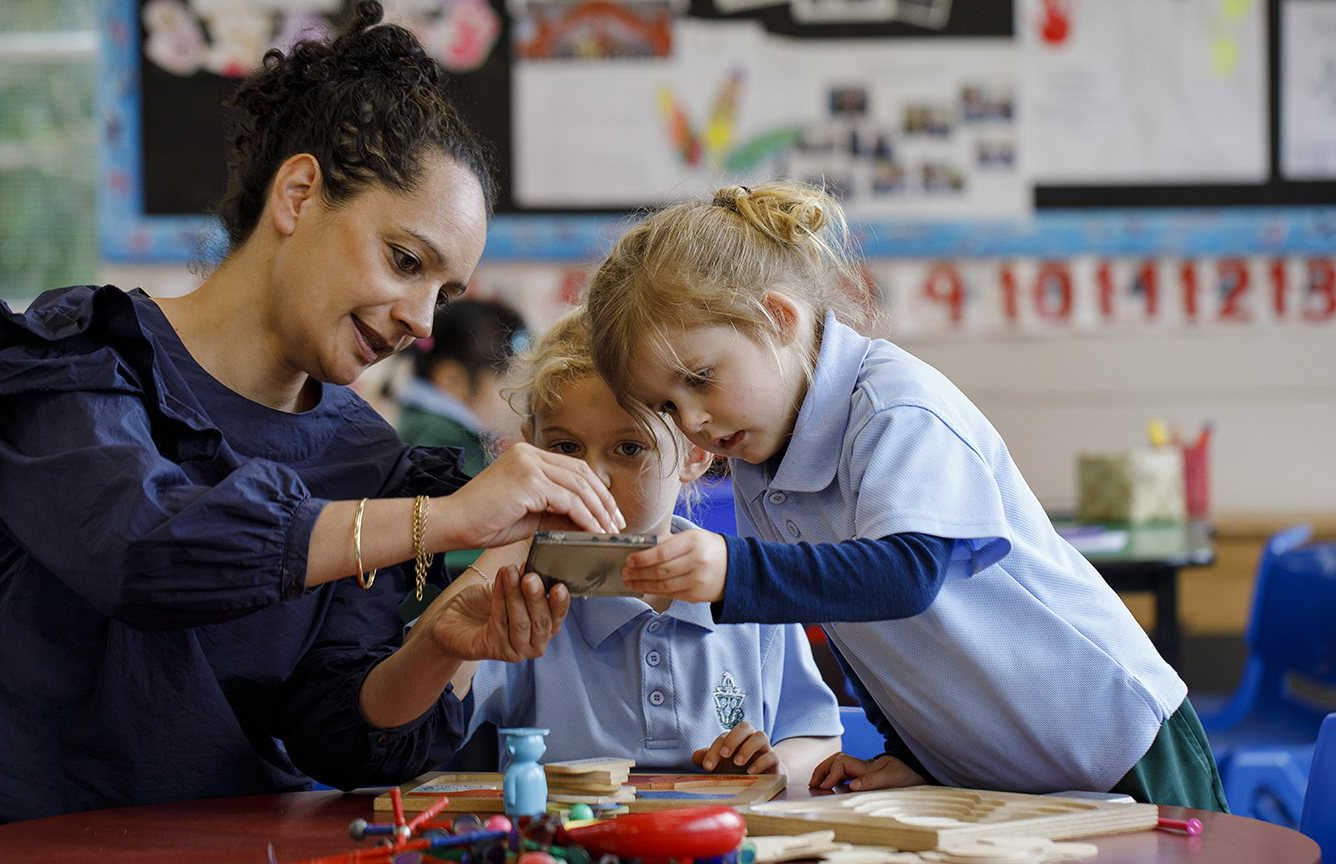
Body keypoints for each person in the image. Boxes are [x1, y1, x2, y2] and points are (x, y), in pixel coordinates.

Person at [0, 4, 625, 858]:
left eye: (446, 293)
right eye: (405, 260)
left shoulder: (363, 455)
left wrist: (442, 646)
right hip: (12, 846)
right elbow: (151, 551)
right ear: (299, 193)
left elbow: (334, 735)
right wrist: (450, 518)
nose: (423, 323)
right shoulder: (75, 361)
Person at [581, 181, 1228, 811]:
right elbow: (861, 629)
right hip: (1003, 781)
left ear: (778, 319)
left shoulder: (894, 406)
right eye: (667, 404)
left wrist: (736, 569)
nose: (691, 420)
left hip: (1120, 746)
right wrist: (911, 749)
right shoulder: (759, 462)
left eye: (700, 378)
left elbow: (907, 575)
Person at [455, 311, 842, 782]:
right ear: (528, 450)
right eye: (565, 448)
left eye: (629, 448)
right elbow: (429, 716)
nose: (589, 477)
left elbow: (817, 734)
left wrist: (776, 765)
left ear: (696, 454)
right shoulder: (522, 596)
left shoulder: (748, 589)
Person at [398, 298, 530, 572]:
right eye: (504, 379)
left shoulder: (439, 429)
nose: (516, 397)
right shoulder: (436, 439)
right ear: (452, 380)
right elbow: (449, 549)